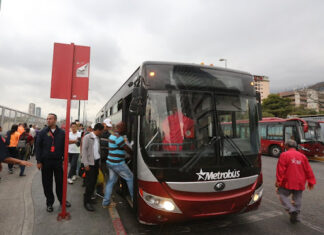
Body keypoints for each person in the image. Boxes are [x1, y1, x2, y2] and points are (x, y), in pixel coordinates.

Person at [36, 113, 71, 212]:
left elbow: (65, 147)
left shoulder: (62, 133)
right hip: (46, 162)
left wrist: (65, 158)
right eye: (47, 119)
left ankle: (62, 201)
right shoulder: (42, 132)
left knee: (60, 182)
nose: (48, 120)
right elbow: (38, 147)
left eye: (50, 119)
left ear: (55, 120)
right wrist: (39, 161)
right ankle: (49, 203)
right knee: (47, 183)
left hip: (58, 162)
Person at [276, 139, 316, 224]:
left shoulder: (284, 155)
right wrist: (311, 181)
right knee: (297, 198)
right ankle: (296, 213)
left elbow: (280, 170)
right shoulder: (303, 156)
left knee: (282, 194)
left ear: (287, 146)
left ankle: (291, 209)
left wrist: (278, 181)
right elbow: (308, 170)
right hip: (300, 182)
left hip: (287, 182)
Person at [102, 122, 133, 208]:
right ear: (121, 128)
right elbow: (127, 149)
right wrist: (133, 154)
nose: (126, 129)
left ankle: (105, 202)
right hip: (118, 163)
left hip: (110, 162)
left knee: (111, 182)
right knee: (130, 178)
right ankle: (134, 199)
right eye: (124, 127)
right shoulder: (118, 138)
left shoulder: (112, 136)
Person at [81, 123, 104, 211]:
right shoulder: (87, 137)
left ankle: (89, 198)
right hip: (90, 164)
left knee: (94, 182)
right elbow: (84, 151)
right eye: (101, 131)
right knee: (89, 184)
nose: (102, 132)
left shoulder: (97, 138)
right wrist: (86, 164)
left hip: (96, 163)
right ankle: (86, 202)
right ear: (98, 130)